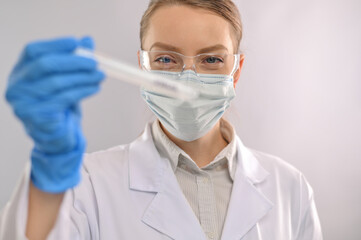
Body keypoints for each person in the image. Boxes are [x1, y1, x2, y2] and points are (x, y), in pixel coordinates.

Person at [0, 0, 323, 239]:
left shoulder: (289, 188)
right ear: (143, 67)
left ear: (235, 71)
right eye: (166, 59)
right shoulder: (87, 185)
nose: (188, 79)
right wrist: (50, 173)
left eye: (211, 59)